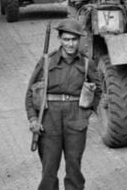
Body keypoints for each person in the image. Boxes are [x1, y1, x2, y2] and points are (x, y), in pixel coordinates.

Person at [25, 19, 102, 190]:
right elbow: (31, 92)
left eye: (74, 40)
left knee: (74, 166)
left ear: (79, 40)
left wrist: (87, 112)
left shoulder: (87, 63)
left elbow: (98, 89)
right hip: (49, 119)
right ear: (60, 39)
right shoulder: (47, 61)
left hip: (76, 118)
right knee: (49, 168)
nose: (70, 44)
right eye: (66, 39)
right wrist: (33, 119)